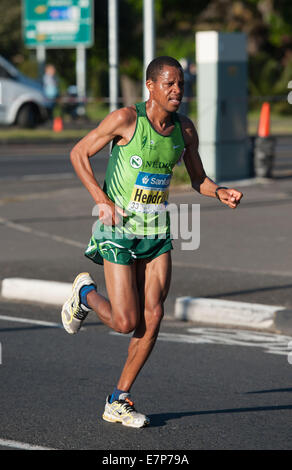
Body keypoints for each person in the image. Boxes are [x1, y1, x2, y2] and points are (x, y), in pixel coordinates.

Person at [61, 56, 243, 428]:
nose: (177, 91)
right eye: (169, 84)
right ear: (151, 87)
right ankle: (84, 295)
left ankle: (119, 398)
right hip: (118, 229)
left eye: (181, 85)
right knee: (126, 321)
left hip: (155, 229)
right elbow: (78, 152)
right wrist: (100, 198)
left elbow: (198, 179)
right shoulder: (126, 120)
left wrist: (219, 191)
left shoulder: (184, 131)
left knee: (154, 314)